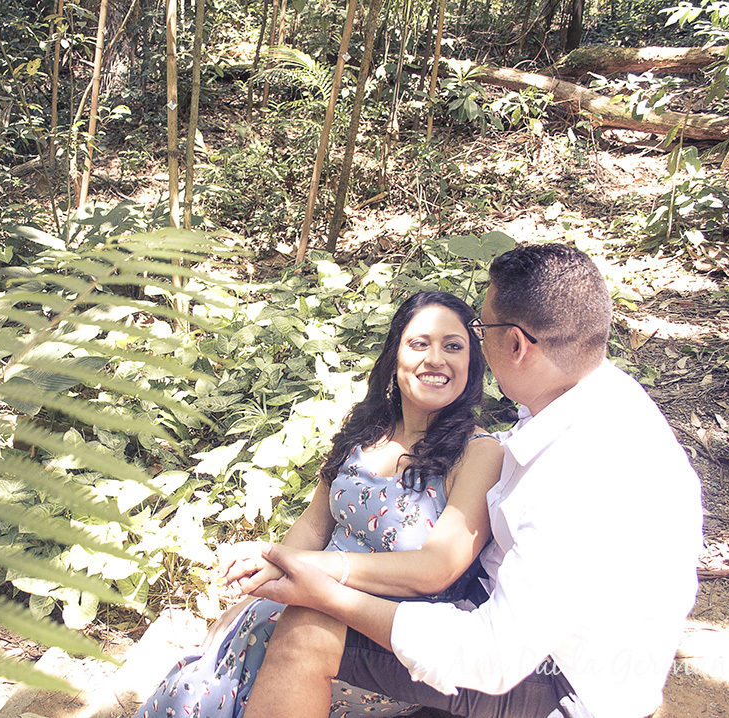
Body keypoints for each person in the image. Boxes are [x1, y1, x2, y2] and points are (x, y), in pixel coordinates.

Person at [239, 243, 704, 718]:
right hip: (523, 624)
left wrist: (331, 591)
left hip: (562, 678)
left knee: (307, 633)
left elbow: (494, 659)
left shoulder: (583, 475)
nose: (472, 345)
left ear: (517, 344)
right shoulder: (591, 398)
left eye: (478, 331)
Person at [132, 290, 504, 718]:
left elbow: (436, 568)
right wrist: (261, 591)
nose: (436, 359)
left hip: (379, 636)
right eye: (419, 343)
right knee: (211, 667)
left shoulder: (477, 452)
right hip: (304, 601)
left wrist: (308, 571)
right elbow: (312, 527)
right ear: (395, 356)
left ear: (472, 363)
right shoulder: (367, 431)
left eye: (453, 346)